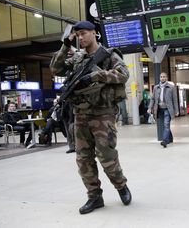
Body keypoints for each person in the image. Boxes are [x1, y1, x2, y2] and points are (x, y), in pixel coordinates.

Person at [49, 20, 131, 214]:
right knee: (83, 159)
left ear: (94, 33)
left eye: (84, 33)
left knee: (107, 156)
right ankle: (94, 197)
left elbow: (123, 74)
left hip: (103, 114)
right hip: (80, 114)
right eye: (77, 35)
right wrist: (65, 45)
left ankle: (121, 186)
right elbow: (55, 69)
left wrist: (96, 76)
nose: (80, 38)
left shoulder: (109, 55)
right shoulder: (77, 58)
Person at [148, 72, 179, 148]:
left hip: (168, 109)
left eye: (164, 77)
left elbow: (175, 99)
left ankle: (165, 141)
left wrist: (176, 110)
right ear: (159, 78)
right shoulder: (156, 88)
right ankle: (170, 138)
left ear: (167, 78)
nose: (162, 78)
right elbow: (153, 99)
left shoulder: (171, 87)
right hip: (159, 109)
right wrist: (149, 108)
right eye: (161, 77)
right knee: (165, 125)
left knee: (166, 124)